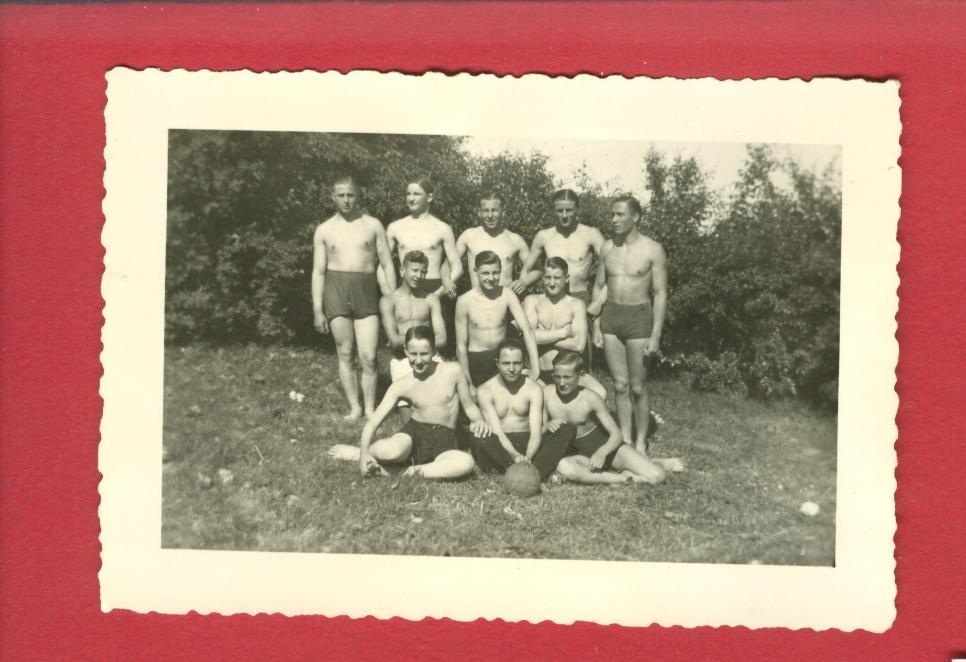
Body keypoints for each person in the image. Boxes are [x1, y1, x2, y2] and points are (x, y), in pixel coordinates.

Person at [328, 326, 489, 479]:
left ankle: (409, 471)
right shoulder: (402, 385)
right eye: (413, 354)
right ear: (405, 350)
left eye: (424, 354)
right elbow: (373, 423)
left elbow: (469, 406)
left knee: (465, 463)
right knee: (389, 452)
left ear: (434, 351)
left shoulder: (453, 371)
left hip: (446, 441)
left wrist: (479, 420)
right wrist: (364, 455)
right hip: (413, 436)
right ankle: (359, 453)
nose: (418, 360)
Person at [312, 175, 397, 420]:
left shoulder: (373, 225)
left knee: (369, 355)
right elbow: (318, 271)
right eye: (341, 195)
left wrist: (393, 299)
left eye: (350, 195)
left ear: (357, 196)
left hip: (365, 290)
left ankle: (370, 408)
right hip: (336, 290)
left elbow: (387, 264)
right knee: (345, 352)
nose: (346, 200)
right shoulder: (324, 230)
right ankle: (355, 407)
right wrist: (318, 310)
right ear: (333, 197)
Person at [593, 194, 667, 453]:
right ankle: (625, 439)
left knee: (638, 386)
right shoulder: (607, 247)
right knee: (620, 385)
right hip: (611, 317)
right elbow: (599, 286)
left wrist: (656, 334)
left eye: (620, 214)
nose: (613, 219)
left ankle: (640, 441)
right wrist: (595, 325)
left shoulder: (652, 249)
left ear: (635, 217)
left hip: (639, 317)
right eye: (612, 214)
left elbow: (660, 293)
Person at [545, 351, 670, 485]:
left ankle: (654, 463)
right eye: (557, 377)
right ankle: (622, 478)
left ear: (581, 376)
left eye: (567, 377)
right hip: (577, 454)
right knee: (566, 468)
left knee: (657, 476)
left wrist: (602, 452)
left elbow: (616, 434)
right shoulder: (546, 393)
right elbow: (536, 428)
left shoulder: (591, 398)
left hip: (603, 446)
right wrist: (546, 425)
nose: (561, 383)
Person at [473, 339, 576, 481]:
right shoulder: (485, 390)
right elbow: (497, 432)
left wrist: (527, 456)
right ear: (497, 363)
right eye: (506, 363)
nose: (511, 369)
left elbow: (536, 433)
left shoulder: (533, 389)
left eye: (516, 363)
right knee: (477, 434)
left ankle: (525, 470)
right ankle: (532, 471)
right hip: (501, 444)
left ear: (524, 363)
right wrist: (515, 456)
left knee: (567, 428)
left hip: (528, 441)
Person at [455, 251, 540, 394]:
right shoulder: (464, 301)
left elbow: (527, 330)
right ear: (475, 271)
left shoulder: (507, 295)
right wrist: (468, 382)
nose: (491, 278)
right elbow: (460, 346)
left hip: (502, 358)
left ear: (501, 271)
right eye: (485, 273)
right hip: (477, 360)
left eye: (495, 273)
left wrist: (535, 368)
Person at [379, 250, 446, 422]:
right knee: (408, 423)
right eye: (414, 270)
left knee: (440, 412)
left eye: (423, 271)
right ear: (402, 271)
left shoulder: (431, 299)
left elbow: (442, 338)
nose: (418, 275)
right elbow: (394, 340)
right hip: (403, 360)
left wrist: (413, 344)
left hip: (430, 358)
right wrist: (425, 340)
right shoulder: (389, 300)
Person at [384, 176, 461, 300]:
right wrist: (391, 293)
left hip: (434, 287)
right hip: (405, 288)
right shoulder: (395, 227)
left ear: (429, 197)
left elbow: (457, 266)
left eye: (416, 194)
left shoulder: (443, 228)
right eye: (408, 194)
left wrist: (439, 292)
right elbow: (383, 265)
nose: (411, 199)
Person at [523, 256, 589, 385]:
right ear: (543, 278)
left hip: (569, 375)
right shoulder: (532, 301)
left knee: (601, 392)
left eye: (557, 278)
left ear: (566, 278)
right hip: (541, 373)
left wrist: (542, 338)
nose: (552, 283)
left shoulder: (577, 305)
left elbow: (579, 345)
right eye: (548, 277)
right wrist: (563, 333)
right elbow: (528, 337)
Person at [455, 193, 538, 295]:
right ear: (479, 213)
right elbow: (449, 265)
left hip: (505, 301)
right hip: (477, 301)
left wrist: (524, 281)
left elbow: (537, 269)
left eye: (494, 210)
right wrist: (447, 281)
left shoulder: (514, 239)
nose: (490, 216)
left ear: (503, 212)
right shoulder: (469, 236)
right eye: (486, 211)